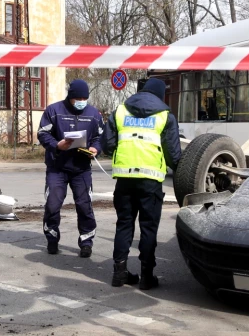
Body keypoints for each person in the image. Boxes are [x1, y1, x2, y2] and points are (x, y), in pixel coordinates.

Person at [103, 78, 182, 289]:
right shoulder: (166, 116)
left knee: (124, 224)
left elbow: (108, 146)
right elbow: (174, 155)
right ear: (160, 96)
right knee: (148, 228)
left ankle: (119, 274)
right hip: (151, 182)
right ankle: (147, 277)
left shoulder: (120, 112)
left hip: (124, 180)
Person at [37, 79, 104, 258]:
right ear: (70, 97)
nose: (82, 101)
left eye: (85, 98)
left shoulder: (93, 113)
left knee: (84, 206)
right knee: (53, 204)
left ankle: (86, 242)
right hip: (57, 167)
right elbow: (42, 133)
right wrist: (57, 145)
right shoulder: (54, 111)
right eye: (78, 98)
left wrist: (95, 149)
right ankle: (52, 238)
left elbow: (99, 137)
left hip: (81, 169)